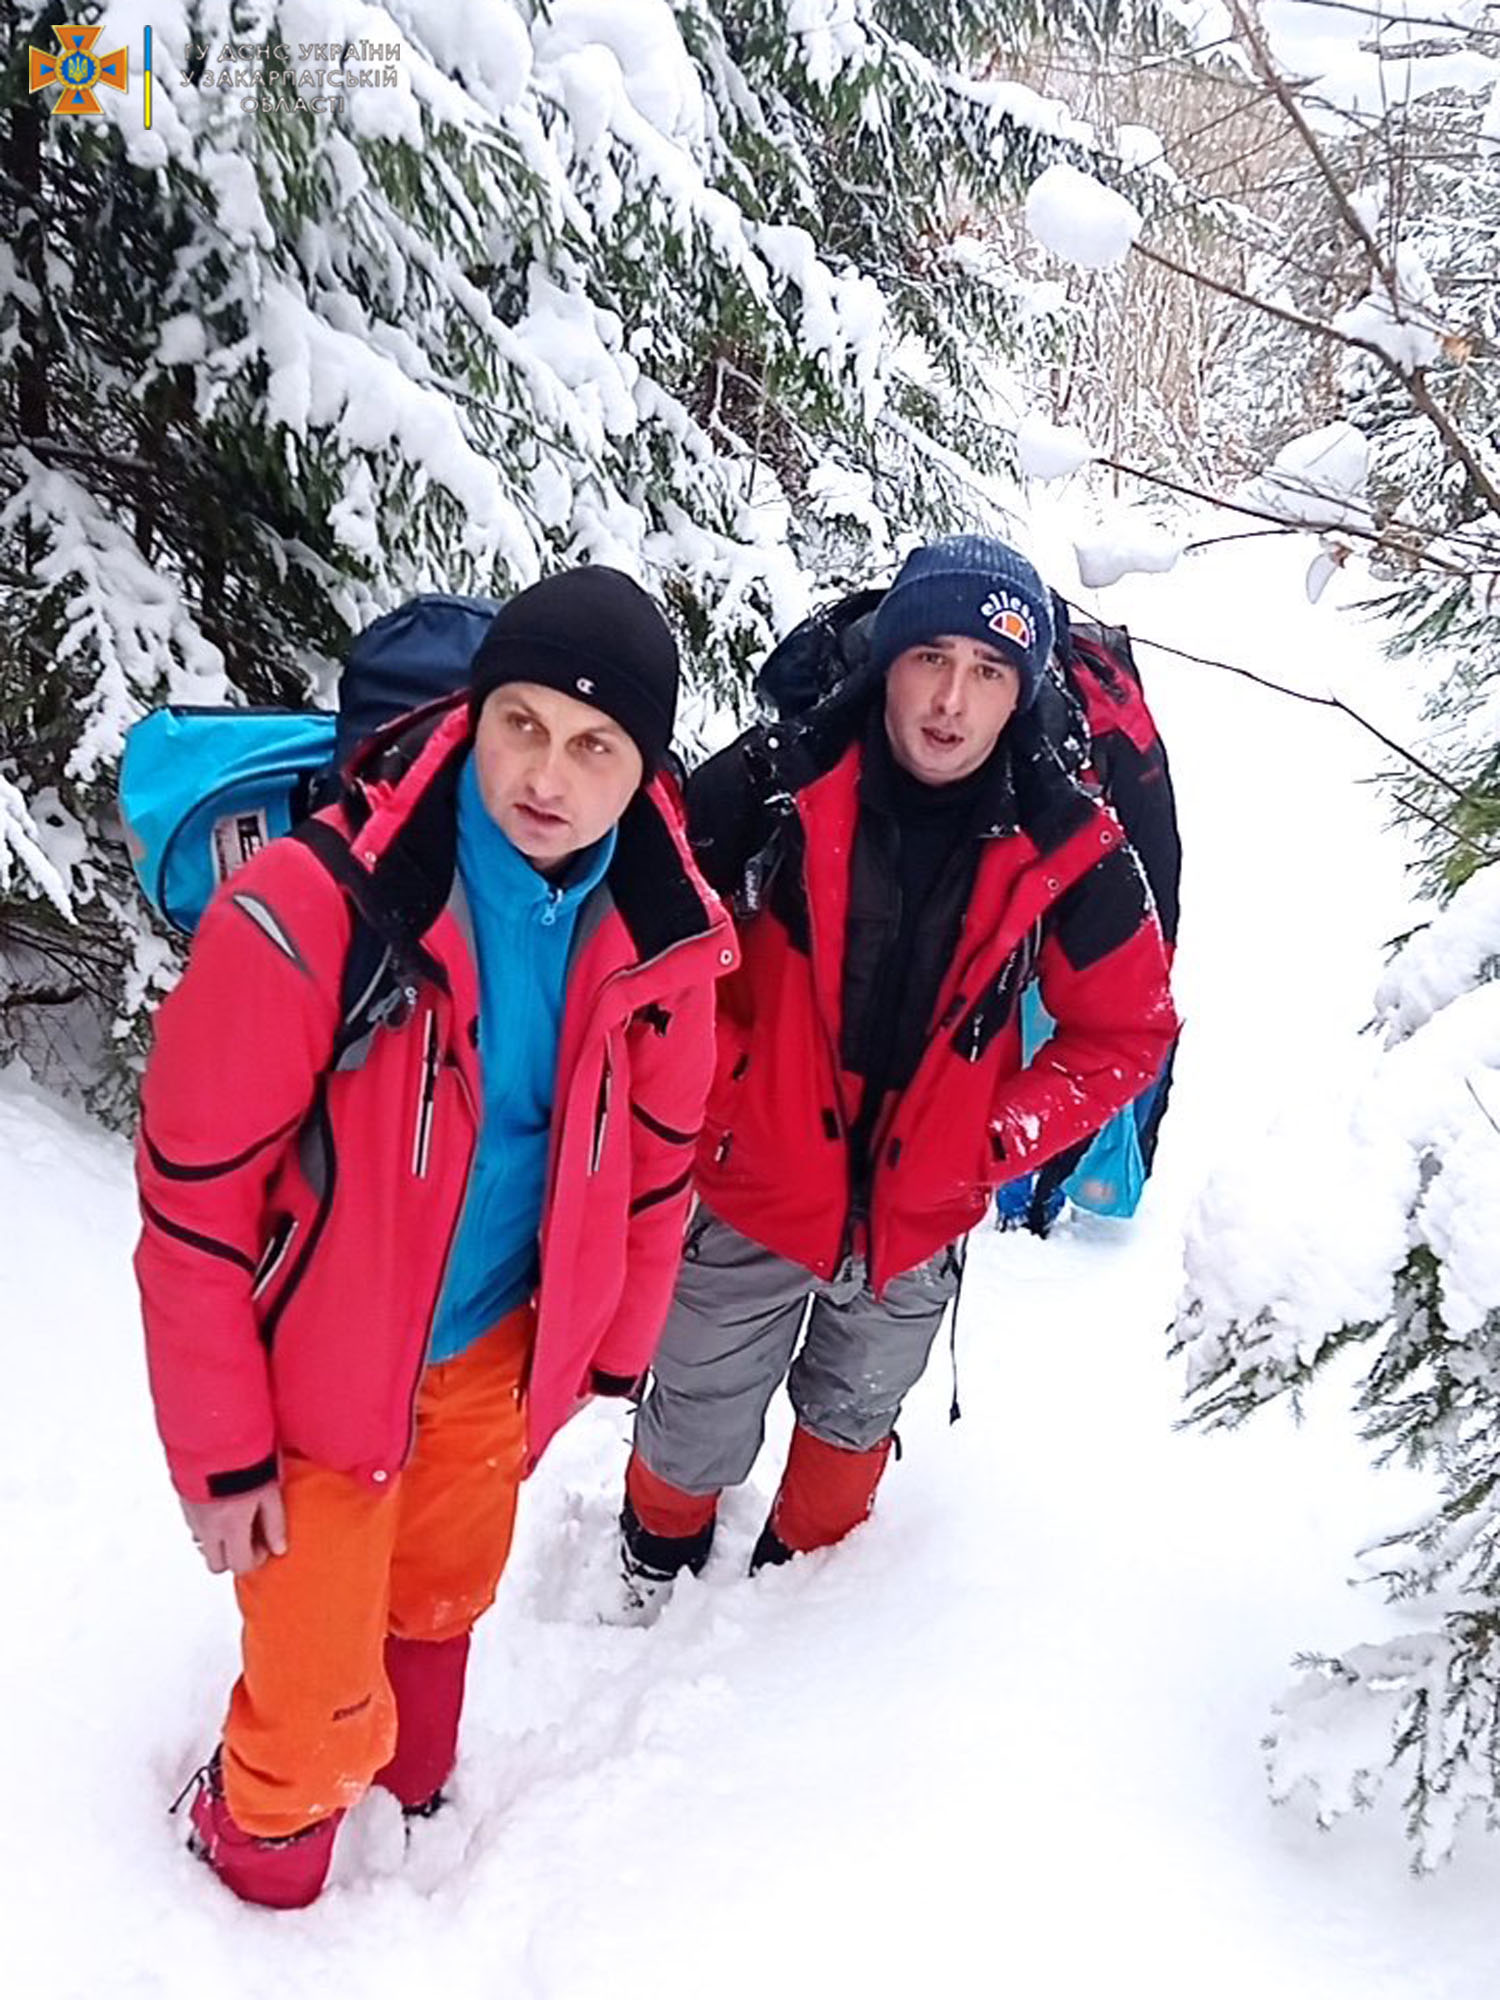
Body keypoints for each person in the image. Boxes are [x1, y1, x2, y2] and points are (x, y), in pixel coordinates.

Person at [134, 566, 736, 1908]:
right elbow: (192, 1201)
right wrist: (220, 1451)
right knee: (308, 1715)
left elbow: (658, 1161)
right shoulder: (318, 906)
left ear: (643, 773)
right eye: (521, 724)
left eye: (596, 747)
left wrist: (608, 1348)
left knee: (442, 1608)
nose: (548, 776)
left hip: (495, 1357)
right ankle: (248, 1870)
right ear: (476, 714)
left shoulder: (662, 939)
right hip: (316, 1378)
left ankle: (405, 1805)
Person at [615, 534, 1178, 1607]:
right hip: (750, 1186)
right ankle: (655, 1562)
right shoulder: (778, 780)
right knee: (693, 1406)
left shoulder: (1071, 842)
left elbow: (1129, 1032)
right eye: (932, 658)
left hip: (919, 1218)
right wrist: (726, 1092)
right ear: (889, 660)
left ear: (1022, 691)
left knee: (855, 1413)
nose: (952, 700)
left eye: (989, 670)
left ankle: (804, 1602)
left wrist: (995, 1136)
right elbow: (649, 938)